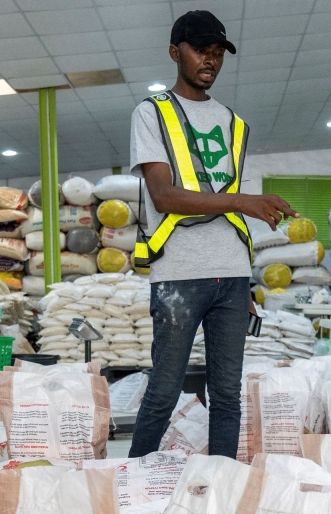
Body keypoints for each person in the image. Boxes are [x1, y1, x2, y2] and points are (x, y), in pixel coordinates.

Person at [127, 9, 297, 460]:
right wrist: (246, 201)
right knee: (163, 392)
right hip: (179, 273)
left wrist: (246, 281)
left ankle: (221, 484)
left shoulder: (234, 123)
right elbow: (164, 196)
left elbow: (225, 204)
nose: (211, 60)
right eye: (201, 50)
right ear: (174, 52)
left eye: (218, 53)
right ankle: (132, 485)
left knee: (228, 395)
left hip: (232, 275)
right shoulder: (152, 114)